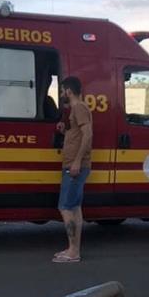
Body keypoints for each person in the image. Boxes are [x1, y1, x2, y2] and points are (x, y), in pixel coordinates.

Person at [53, 76, 92, 263]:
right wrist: (65, 130)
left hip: (74, 167)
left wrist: (77, 161)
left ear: (68, 91)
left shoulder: (79, 108)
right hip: (73, 165)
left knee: (65, 207)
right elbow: (78, 134)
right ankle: (73, 249)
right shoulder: (75, 111)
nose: (61, 94)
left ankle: (73, 252)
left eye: (62, 91)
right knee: (75, 208)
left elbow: (88, 134)